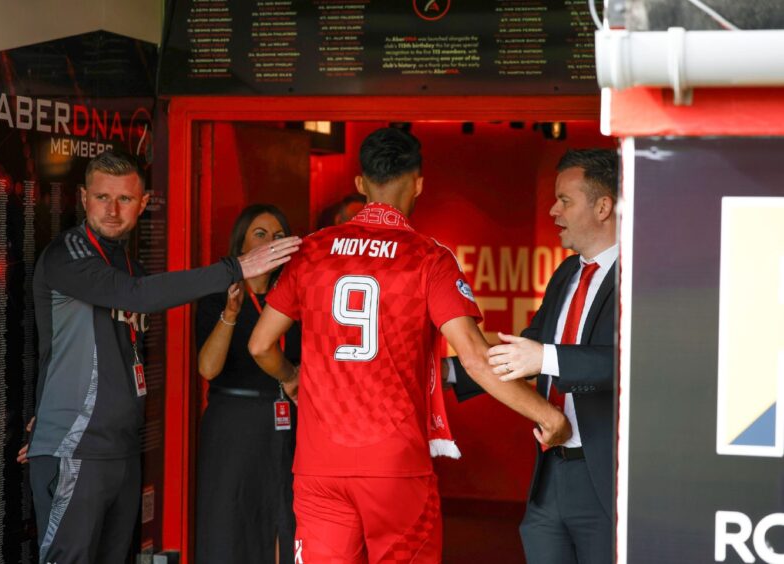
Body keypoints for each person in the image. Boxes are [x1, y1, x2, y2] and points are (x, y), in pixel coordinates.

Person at [248, 127, 570, 563]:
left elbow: (261, 344)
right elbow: (474, 359)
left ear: (361, 185)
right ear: (418, 183)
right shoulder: (427, 258)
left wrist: (292, 378)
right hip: (394, 467)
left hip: (319, 465)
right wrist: (546, 415)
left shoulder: (313, 251)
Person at [24, 151, 300, 564]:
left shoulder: (126, 263)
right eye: (102, 197)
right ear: (83, 198)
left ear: (143, 202)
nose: (113, 211)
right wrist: (235, 268)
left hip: (120, 447)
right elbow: (138, 296)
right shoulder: (68, 254)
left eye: (125, 200)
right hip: (77, 447)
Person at [451, 148, 618, 564]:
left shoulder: (643, 273)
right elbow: (523, 352)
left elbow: (633, 362)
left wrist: (546, 358)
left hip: (608, 482)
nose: (552, 211)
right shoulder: (565, 273)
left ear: (603, 206)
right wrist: (448, 372)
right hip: (550, 475)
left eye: (565, 200)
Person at [194, 204, 301, 564]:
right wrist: (231, 314)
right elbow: (208, 369)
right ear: (241, 242)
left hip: (286, 421)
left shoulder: (295, 296)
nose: (271, 242)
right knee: (229, 522)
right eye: (261, 234)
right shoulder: (218, 292)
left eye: (279, 236)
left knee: (286, 519)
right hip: (233, 423)